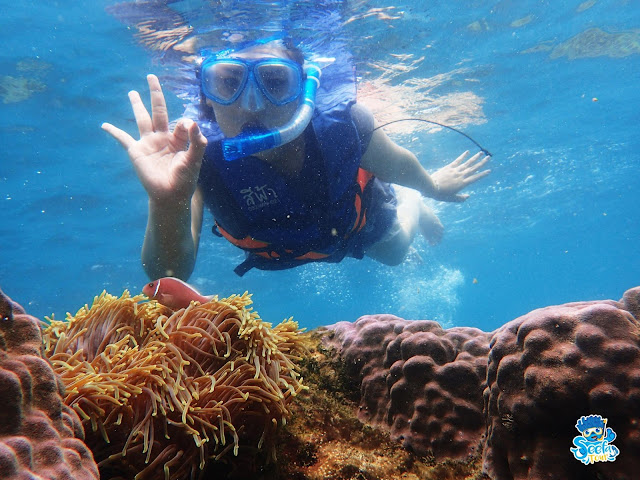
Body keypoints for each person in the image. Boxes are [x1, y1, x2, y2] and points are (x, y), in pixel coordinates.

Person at [102, 40, 490, 280]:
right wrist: (167, 204)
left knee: (394, 253)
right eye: (228, 82)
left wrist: (432, 187)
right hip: (278, 252)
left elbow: (398, 164)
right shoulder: (196, 156)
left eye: (274, 82)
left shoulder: (344, 127)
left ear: (303, 89)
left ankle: (412, 205)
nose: (250, 103)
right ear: (206, 94)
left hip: (355, 226)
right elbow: (168, 275)